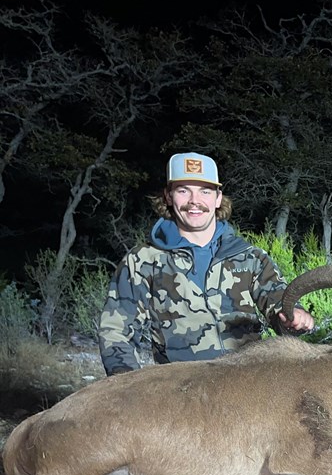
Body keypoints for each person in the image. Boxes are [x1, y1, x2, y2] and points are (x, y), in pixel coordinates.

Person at [99, 152, 314, 375]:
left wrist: (294, 316)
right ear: (168, 196)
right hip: (182, 388)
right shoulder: (142, 261)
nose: (195, 201)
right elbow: (116, 332)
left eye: (205, 191)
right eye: (183, 190)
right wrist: (127, 387)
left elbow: (278, 302)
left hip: (249, 384)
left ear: (218, 198)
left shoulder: (249, 257)